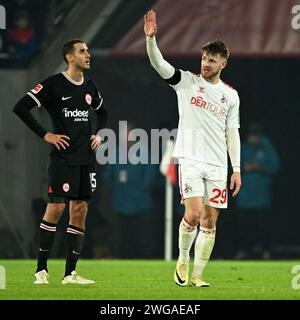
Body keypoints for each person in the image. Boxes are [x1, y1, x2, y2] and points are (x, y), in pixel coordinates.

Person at [144, 10, 241, 287]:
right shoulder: (187, 82)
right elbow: (159, 64)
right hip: (190, 159)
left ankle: (198, 275)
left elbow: (232, 133)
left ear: (223, 63)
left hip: (218, 165)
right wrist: (151, 40)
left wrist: (236, 169)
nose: (206, 63)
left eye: (212, 60)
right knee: (193, 215)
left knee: (210, 222)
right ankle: (183, 258)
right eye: (203, 58)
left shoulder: (230, 95)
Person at [13, 39, 108, 284]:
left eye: (88, 50)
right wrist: (46, 135)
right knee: (55, 209)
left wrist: (97, 133)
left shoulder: (90, 86)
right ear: (69, 57)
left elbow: (103, 112)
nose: (88, 54)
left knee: (80, 210)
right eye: (82, 51)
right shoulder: (54, 84)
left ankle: (70, 274)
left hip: (86, 160)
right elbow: (21, 107)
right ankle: (41, 271)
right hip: (63, 158)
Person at [235, 123, 279, 259]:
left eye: (256, 136)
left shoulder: (267, 148)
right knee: (244, 225)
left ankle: (265, 250)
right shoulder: (243, 149)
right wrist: (243, 167)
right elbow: (232, 167)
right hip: (245, 196)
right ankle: (244, 250)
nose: (253, 139)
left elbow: (276, 166)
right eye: (252, 136)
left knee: (263, 225)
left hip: (261, 196)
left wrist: (259, 166)